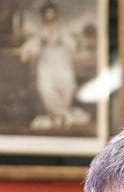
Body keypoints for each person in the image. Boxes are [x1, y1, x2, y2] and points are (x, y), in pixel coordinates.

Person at [17, 2, 90, 131]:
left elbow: (73, 47)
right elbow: (27, 50)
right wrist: (31, 50)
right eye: (47, 15)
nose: (49, 18)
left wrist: (64, 42)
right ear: (43, 17)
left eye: (51, 15)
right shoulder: (40, 33)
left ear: (55, 16)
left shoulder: (63, 31)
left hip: (62, 65)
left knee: (67, 88)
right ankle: (64, 116)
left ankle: (60, 118)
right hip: (46, 67)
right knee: (46, 90)